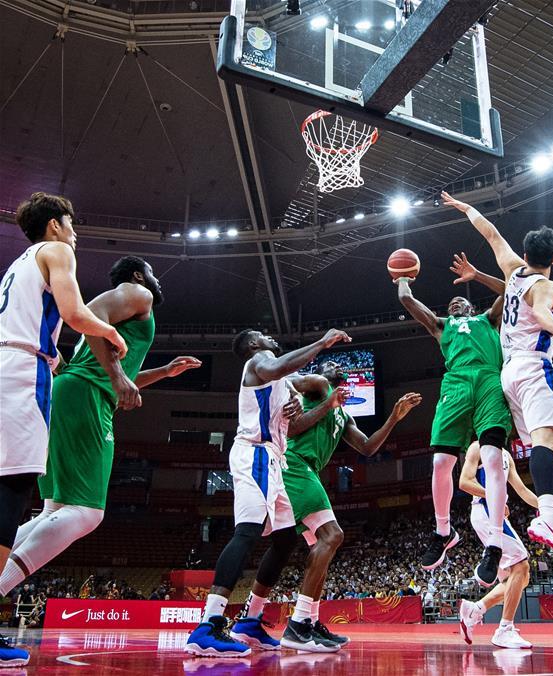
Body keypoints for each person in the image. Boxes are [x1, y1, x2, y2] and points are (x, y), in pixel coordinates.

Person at [0, 257, 201, 600]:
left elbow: (107, 370)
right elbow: (89, 313)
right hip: (84, 395)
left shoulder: (126, 321)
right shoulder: (138, 293)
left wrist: (162, 372)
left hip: (70, 391)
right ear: (138, 276)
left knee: (57, 510)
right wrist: (118, 375)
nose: (158, 282)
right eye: (152, 274)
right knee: (86, 514)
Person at [443, 192, 553, 565]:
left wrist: (468, 208)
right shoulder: (547, 286)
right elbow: (541, 312)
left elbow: (490, 233)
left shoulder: (513, 270)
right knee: (548, 439)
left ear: (526, 254)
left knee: (552, 446)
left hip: (510, 373)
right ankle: (549, 517)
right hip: (535, 367)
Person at [0, 193, 127, 668]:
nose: (75, 232)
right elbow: (75, 314)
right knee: (12, 494)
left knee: (9, 492)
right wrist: (111, 335)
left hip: (7, 365)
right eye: (71, 223)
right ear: (55, 225)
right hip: (23, 372)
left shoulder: (17, 264)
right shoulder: (57, 251)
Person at [184, 327, 350, 658]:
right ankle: (208, 625)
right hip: (254, 453)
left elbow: (298, 422)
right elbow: (279, 367)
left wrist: (316, 406)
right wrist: (320, 342)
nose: (271, 337)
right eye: (263, 334)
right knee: (246, 533)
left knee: (287, 538)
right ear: (253, 344)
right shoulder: (260, 361)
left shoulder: (282, 382)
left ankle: (249, 621)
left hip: (275, 459)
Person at [274, 361, 420, 652]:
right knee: (333, 536)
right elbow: (287, 376)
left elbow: (367, 448)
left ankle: (310, 623)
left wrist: (393, 418)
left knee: (322, 549)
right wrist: (289, 399)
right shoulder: (318, 385)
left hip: (307, 471)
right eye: (329, 363)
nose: (333, 365)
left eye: (336, 365)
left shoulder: (343, 415)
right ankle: (298, 623)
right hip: (294, 465)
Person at [395, 255, 514, 586]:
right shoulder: (440, 324)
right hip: (456, 383)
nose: (457, 303)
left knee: (491, 457)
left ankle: (494, 544)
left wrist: (476, 275)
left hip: (490, 379)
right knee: (440, 462)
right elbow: (406, 299)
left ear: (471, 308)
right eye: (452, 302)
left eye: (462, 300)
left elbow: (510, 288)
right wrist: (403, 277)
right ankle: (443, 531)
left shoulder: (488, 320)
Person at [458, 441, 538, 649]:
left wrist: (547, 507)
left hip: (496, 512)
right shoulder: (477, 447)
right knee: (521, 565)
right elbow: (465, 482)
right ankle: (504, 629)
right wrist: (496, 497)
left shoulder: (506, 455)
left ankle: (475, 610)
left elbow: (521, 489)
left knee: (520, 579)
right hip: (485, 510)